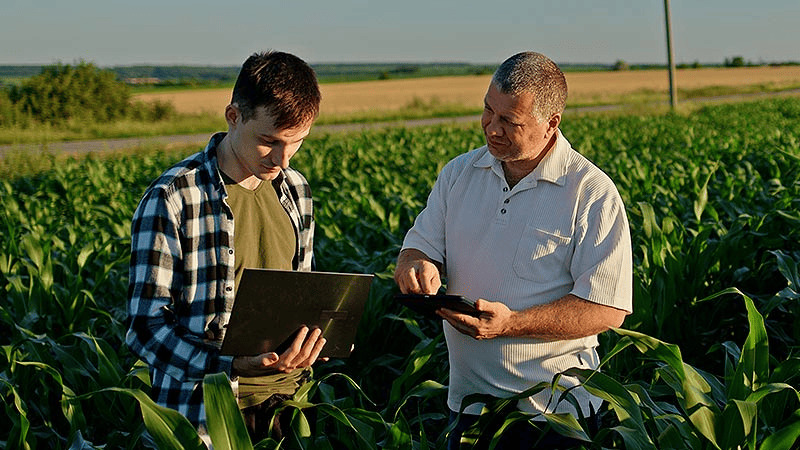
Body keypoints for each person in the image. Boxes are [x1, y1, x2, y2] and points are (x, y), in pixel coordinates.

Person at [394, 52, 633, 449]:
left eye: (510, 121)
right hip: (469, 409)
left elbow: (608, 309)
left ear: (551, 122)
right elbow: (418, 246)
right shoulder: (459, 173)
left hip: (553, 416)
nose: (492, 127)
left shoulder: (591, 192)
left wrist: (510, 323)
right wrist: (416, 265)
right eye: (488, 110)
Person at [126, 50, 327, 444]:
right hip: (205, 415)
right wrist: (229, 364)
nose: (283, 159)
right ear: (233, 117)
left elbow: (300, 296)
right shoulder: (172, 198)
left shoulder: (297, 191)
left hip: (287, 407)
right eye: (269, 141)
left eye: (297, 142)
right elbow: (145, 328)